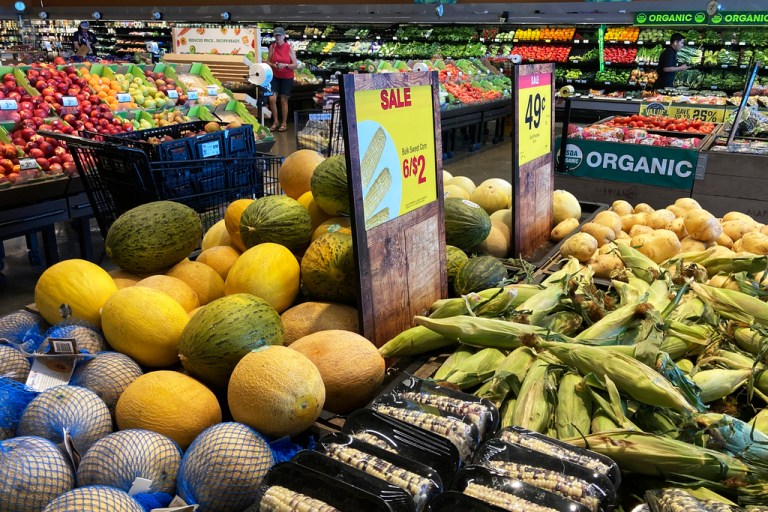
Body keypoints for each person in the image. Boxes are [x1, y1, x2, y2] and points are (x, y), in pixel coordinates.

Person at [266, 27, 297, 132]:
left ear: (284, 36)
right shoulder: (272, 47)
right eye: (276, 35)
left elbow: (295, 64)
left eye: (280, 35)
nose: (278, 37)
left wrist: (285, 65)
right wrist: (274, 65)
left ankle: (284, 123)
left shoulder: (289, 47)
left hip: (287, 77)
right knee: (272, 99)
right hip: (274, 76)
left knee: (284, 100)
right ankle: (275, 121)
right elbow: (268, 62)